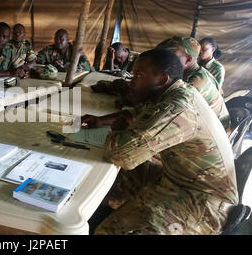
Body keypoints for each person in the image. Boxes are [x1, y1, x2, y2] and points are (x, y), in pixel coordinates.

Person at [81, 48, 238, 235]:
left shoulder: (178, 107)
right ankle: (91, 212)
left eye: (138, 76)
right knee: (110, 180)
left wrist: (118, 131)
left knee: (108, 231)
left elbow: (120, 153)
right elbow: (138, 113)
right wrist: (102, 121)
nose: (131, 82)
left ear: (162, 79)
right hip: (178, 178)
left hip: (202, 203)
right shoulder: (174, 92)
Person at [157, 36, 230, 131]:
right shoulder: (195, 71)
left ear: (188, 60)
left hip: (215, 133)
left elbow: (165, 116)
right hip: (206, 124)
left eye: (172, 56)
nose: (165, 60)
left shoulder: (194, 82)